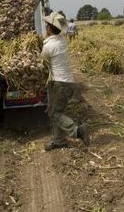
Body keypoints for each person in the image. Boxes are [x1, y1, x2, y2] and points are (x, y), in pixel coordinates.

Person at [41, 12, 89, 151]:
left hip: (59, 84)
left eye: (46, 26)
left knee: (54, 114)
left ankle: (77, 131)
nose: (45, 28)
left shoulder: (49, 46)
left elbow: (43, 60)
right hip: (68, 82)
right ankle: (58, 141)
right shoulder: (62, 40)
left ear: (50, 29)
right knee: (58, 111)